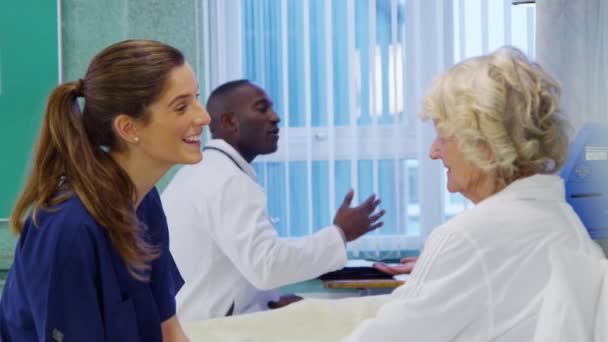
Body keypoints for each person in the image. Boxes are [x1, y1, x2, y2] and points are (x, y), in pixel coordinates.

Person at [343, 46, 606, 341]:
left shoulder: (466, 238)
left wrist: (452, 258)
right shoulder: (563, 223)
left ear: (486, 146)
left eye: (444, 137)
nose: (433, 152)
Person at [0, 39, 210, 341]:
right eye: (181, 106)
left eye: (197, 98)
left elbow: (169, 330)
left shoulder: (144, 201)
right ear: (128, 128)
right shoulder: (67, 229)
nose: (203, 116)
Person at [161, 79, 385, 321]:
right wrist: (340, 233)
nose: (275, 117)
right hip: (209, 331)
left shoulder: (210, 171)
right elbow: (265, 265)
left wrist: (268, 301)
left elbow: (240, 265)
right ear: (229, 122)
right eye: (261, 108)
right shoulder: (226, 180)